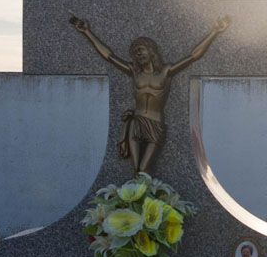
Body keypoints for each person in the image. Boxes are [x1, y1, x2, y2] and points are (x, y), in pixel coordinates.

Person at [70, 14, 230, 175]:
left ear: (151, 51)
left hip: (156, 123)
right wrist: (87, 32)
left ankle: (143, 197)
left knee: (145, 168)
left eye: (141, 50)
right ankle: (134, 199)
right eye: (135, 52)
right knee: (136, 169)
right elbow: (109, 56)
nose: (138, 54)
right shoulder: (134, 71)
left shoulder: (166, 72)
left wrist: (214, 32)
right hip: (136, 122)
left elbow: (193, 56)